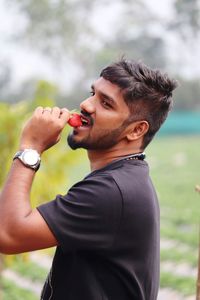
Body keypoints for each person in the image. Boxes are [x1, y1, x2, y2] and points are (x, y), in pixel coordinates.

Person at [0, 59, 177, 300]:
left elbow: (8, 234)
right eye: (92, 93)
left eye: (106, 103)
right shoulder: (123, 178)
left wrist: (30, 147)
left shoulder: (111, 191)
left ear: (136, 130)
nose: (86, 105)